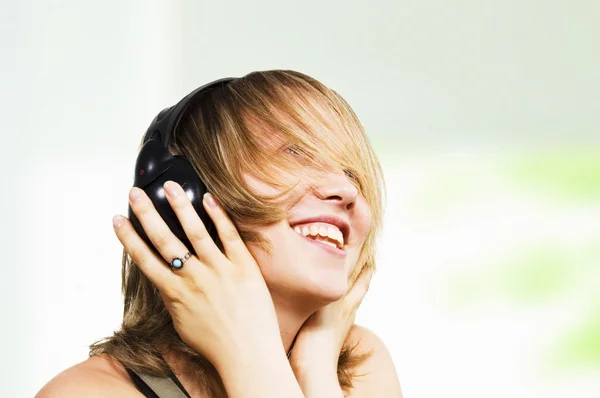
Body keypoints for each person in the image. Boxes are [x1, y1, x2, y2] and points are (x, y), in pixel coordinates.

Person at [36, 70, 402, 397]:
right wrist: (252, 355)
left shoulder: (360, 370)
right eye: (294, 154)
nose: (348, 190)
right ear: (184, 199)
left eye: (352, 173)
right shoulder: (86, 393)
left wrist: (315, 368)